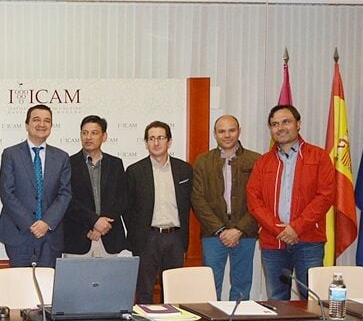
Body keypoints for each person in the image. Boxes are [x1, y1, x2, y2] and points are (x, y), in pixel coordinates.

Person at [247, 105, 335, 300]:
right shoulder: (263, 162)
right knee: (277, 299)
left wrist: (296, 228)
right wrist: (279, 230)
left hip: (309, 241)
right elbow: (254, 200)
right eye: (275, 124)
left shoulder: (319, 157)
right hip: (273, 242)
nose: (280, 128)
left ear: (298, 124)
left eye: (286, 122)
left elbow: (325, 196)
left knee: (312, 299)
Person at [191, 115, 261, 302]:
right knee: (210, 285)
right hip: (213, 233)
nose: (227, 135)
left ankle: (237, 319)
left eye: (231, 130)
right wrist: (221, 230)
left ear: (239, 131)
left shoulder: (256, 160)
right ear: (215, 134)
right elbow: (198, 199)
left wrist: (239, 229)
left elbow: (261, 200)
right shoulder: (203, 161)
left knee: (242, 284)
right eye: (222, 131)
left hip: (245, 232)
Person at [124, 121, 193, 304]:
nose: (156, 143)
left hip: (175, 237)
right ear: (146, 142)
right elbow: (127, 208)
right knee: (144, 291)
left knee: (172, 292)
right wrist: (138, 234)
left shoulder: (184, 169)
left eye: (161, 138)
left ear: (169, 141)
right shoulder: (135, 171)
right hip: (147, 238)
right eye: (151, 138)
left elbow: (189, 203)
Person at [0, 104, 72, 268]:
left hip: (50, 234)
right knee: (19, 282)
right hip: (18, 232)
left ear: (51, 126)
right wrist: (30, 224)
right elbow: (7, 192)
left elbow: (65, 194)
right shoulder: (11, 154)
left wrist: (46, 223)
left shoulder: (62, 157)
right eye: (36, 120)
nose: (42, 124)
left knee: (47, 281)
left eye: (47, 121)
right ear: (27, 124)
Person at [63, 115, 129, 258]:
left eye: (94, 133)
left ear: (104, 136)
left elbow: (122, 199)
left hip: (109, 236)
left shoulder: (115, 164)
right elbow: (68, 200)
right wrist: (94, 222)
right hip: (79, 237)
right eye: (85, 133)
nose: (88, 137)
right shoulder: (68, 163)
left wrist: (101, 226)